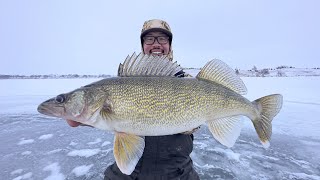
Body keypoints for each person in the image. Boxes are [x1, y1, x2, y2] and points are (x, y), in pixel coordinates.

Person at [66, 19, 200, 180]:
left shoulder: (188, 82)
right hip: (129, 175)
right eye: (149, 39)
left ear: (170, 44)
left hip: (178, 172)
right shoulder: (126, 80)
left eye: (162, 38)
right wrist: (87, 117)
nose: (156, 44)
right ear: (143, 45)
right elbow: (100, 117)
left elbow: (196, 124)